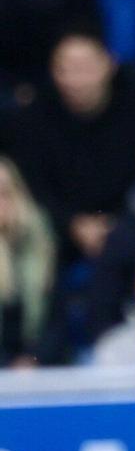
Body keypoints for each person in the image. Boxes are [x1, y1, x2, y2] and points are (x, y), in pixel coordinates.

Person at [4, 27, 135, 271]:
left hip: (128, 225)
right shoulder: (31, 119)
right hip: (56, 228)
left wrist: (122, 224)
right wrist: (73, 224)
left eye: (85, 69)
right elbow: (31, 185)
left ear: (109, 64)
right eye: (64, 69)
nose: (74, 80)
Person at [0, 156, 56, 367]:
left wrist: (33, 360)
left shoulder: (40, 240)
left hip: (35, 367)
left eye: (5, 193)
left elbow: (55, 319)